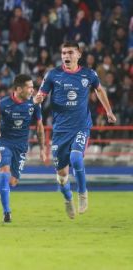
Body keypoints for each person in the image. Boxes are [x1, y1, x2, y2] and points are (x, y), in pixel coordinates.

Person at [36, 42, 116, 219]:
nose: (66, 55)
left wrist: (109, 111)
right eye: (64, 52)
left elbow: (100, 90)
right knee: (62, 176)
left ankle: (82, 193)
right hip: (60, 131)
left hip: (81, 126)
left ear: (78, 54)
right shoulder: (53, 74)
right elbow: (41, 94)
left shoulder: (89, 74)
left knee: (76, 157)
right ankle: (68, 198)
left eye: (70, 52)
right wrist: (38, 98)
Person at [0, 74, 46, 223]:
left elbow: (39, 127)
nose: (33, 90)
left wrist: (43, 149)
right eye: (30, 87)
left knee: (12, 182)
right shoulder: (3, 104)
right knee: (5, 174)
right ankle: (7, 213)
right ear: (19, 89)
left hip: (21, 147)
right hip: (4, 143)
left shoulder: (33, 105)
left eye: (33, 87)